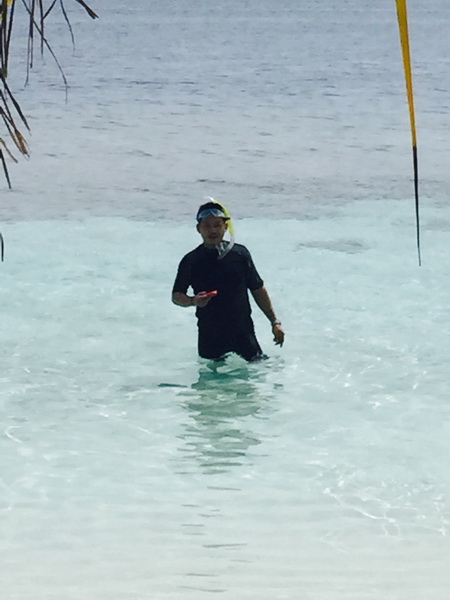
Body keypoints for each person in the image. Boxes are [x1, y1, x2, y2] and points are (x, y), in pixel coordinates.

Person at [172, 199, 285, 362]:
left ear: (226, 227)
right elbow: (176, 296)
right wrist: (193, 301)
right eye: (207, 226)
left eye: (217, 225)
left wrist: (275, 322)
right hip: (209, 335)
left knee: (259, 371)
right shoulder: (191, 260)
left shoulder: (240, 254)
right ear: (198, 229)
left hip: (243, 332)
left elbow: (257, 289)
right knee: (211, 377)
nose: (212, 230)